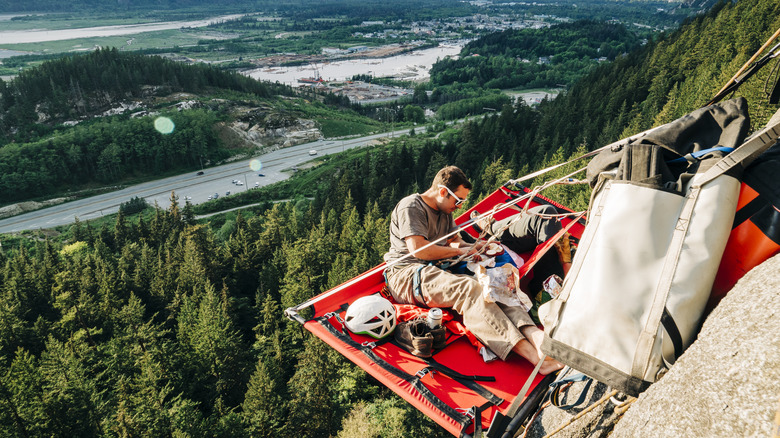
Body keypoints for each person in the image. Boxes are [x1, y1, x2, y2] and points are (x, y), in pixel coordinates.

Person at [383, 166, 564, 374]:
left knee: (492, 285)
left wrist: (472, 248)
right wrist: (456, 252)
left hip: (435, 269)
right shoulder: (411, 207)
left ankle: (535, 335)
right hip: (406, 274)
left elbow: (453, 241)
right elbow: (418, 250)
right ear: (442, 192)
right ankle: (536, 359)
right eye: (457, 201)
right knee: (468, 289)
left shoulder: (444, 210)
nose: (459, 206)